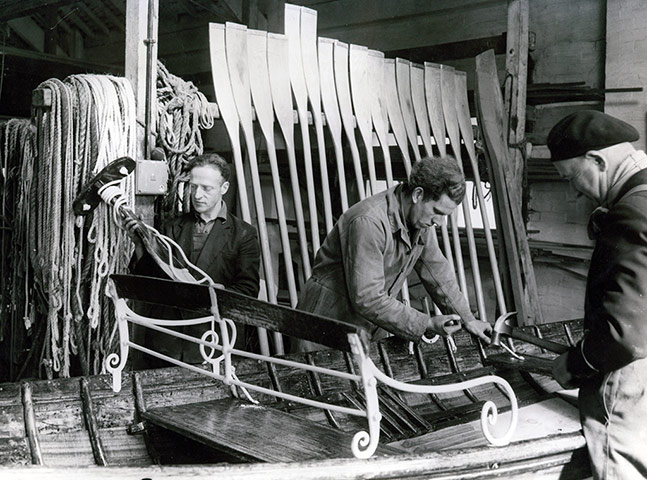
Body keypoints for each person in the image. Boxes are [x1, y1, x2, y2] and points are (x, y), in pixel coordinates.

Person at [296, 155, 491, 349]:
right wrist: (426, 324)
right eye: (438, 212)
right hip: (325, 325)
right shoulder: (369, 222)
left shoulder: (419, 222)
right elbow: (368, 298)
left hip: (366, 325)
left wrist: (468, 320)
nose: (439, 223)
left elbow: (438, 273)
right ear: (418, 195)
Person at [548, 110, 647, 479]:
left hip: (631, 377)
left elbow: (624, 334)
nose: (574, 191)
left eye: (571, 178)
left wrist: (576, 363)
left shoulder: (631, 213)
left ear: (598, 160)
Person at [127, 153, 261, 364]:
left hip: (213, 340)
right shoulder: (171, 227)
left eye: (206, 188)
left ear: (223, 189)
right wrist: (140, 245)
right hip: (168, 340)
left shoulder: (243, 234)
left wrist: (213, 294)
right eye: (193, 186)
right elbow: (149, 281)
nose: (198, 194)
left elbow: (248, 290)